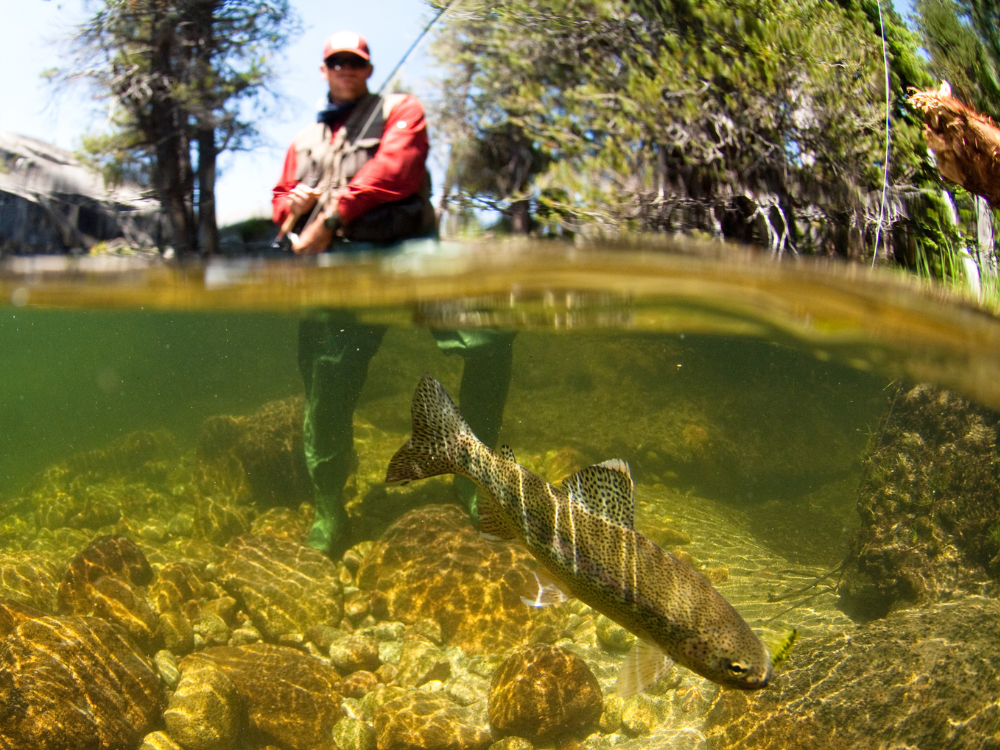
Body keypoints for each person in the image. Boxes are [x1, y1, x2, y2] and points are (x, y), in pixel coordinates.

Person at [272, 31, 514, 558]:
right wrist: (294, 206)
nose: (345, 69)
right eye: (336, 62)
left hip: (411, 256)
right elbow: (280, 203)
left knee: (490, 334)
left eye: (354, 62)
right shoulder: (304, 141)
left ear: (367, 67)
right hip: (341, 272)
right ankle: (329, 505)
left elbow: (398, 170)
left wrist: (333, 213)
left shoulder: (401, 109)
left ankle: (473, 474)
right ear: (324, 70)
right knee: (325, 383)